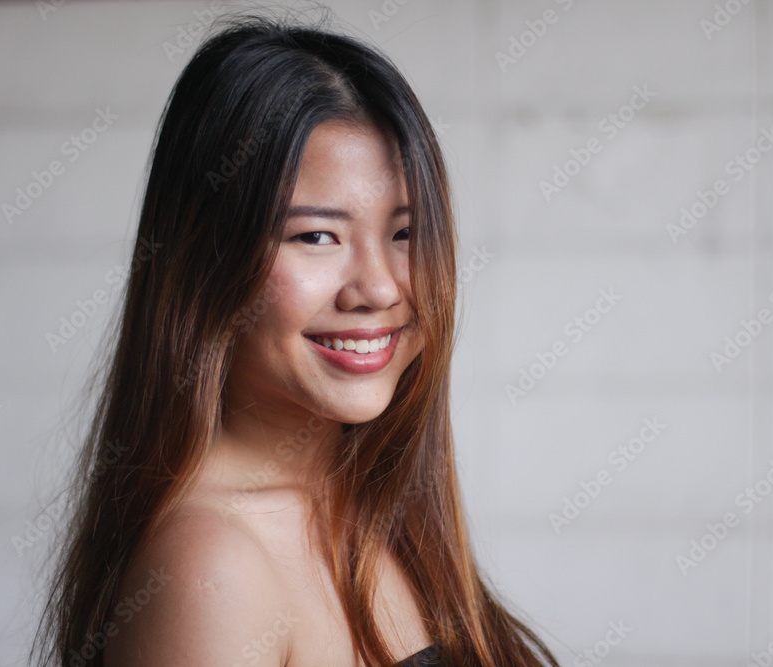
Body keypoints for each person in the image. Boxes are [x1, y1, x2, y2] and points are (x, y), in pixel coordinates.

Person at [33, 10, 559, 667]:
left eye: (404, 232)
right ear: (205, 259)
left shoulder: (377, 507)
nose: (379, 288)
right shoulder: (209, 571)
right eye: (317, 235)